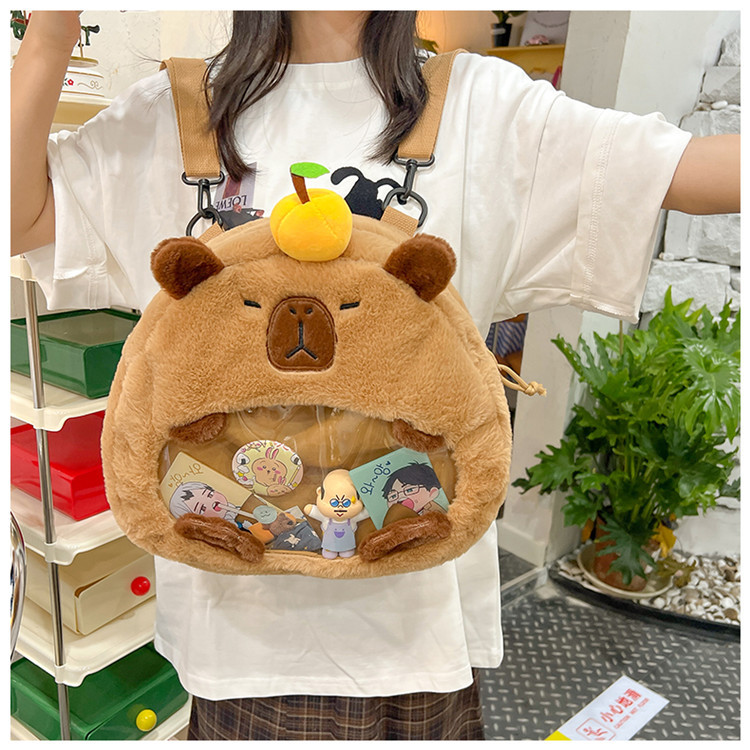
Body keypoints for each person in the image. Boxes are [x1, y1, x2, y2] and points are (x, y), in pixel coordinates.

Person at [11, 10, 740, 741]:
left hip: (413, 622)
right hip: (239, 632)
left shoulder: (485, 108)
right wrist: (49, 33)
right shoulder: (172, 112)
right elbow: (18, 215)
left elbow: (695, 172)